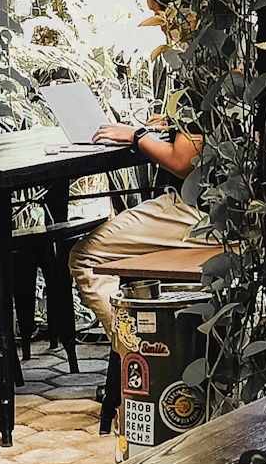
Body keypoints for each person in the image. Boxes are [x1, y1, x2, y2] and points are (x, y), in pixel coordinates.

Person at [70, 117, 216, 348]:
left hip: (201, 214)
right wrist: (171, 124)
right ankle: (147, 343)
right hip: (233, 214)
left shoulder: (203, 83)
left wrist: (137, 135)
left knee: (85, 257)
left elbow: (181, 162)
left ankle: (137, 353)